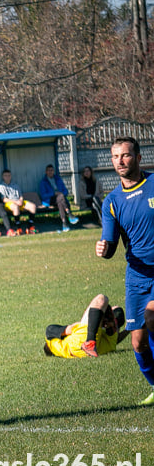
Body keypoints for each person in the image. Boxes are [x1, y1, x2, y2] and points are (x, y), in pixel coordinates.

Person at [96, 136, 154, 405]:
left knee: (153, 316)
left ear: (139, 158)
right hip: (137, 276)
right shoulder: (112, 201)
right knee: (137, 343)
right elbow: (110, 248)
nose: (120, 161)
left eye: (126, 155)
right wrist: (103, 248)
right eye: (115, 156)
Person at [43, 294, 128, 358]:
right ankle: (90, 341)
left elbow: (116, 341)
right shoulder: (51, 343)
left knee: (114, 310)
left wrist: (129, 329)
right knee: (101, 299)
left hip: (99, 348)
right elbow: (50, 330)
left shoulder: (60, 349)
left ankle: (103, 323)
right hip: (85, 342)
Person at [39, 164, 79, 232]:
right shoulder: (43, 182)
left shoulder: (58, 179)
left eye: (51, 170)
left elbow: (65, 190)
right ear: (46, 172)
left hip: (60, 199)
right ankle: (69, 214)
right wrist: (53, 194)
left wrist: (62, 194)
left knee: (60, 202)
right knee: (60, 198)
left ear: (54, 171)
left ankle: (64, 223)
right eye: (48, 170)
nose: (50, 172)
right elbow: (43, 195)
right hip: (50, 200)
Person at [0, 169, 37, 234]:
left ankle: (30, 227)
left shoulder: (15, 185)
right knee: (15, 207)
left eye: (9, 175)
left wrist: (20, 200)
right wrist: (16, 202)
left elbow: (20, 195)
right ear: (3, 177)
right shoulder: (1, 186)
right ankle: (18, 228)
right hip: (9, 203)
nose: (7, 177)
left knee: (33, 206)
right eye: (5, 175)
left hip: (18, 201)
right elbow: (4, 199)